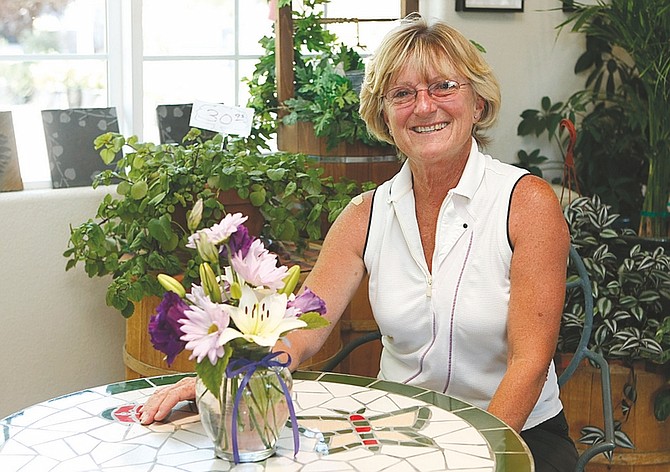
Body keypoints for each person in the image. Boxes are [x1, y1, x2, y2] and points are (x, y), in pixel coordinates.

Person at [140, 15, 577, 472]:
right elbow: (304, 327)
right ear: (384, 114)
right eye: (403, 94)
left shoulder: (526, 203)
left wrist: (476, 456)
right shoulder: (364, 215)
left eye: (444, 86)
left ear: (478, 103)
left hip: (515, 432)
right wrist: (231, 375)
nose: (424, 107)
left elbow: (529, 361)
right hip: (399, 432)